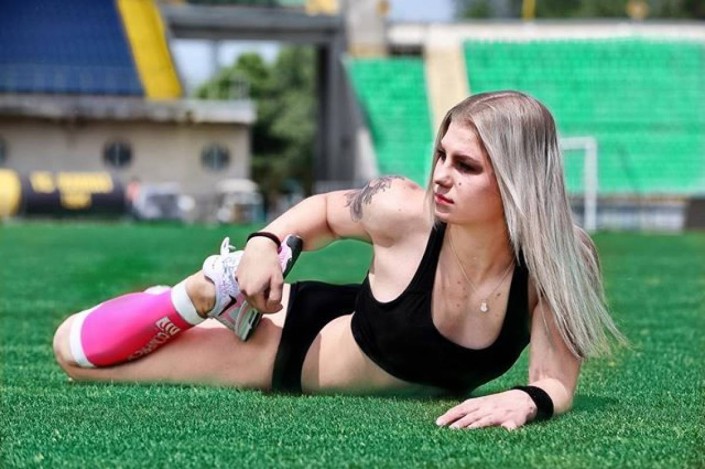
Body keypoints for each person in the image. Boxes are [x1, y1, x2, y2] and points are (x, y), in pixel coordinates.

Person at [53, 91, 624, 430]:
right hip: (288, 345)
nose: (441, 175)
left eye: (466, 166)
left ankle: (206, 296)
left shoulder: (560, 261)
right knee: (76, 356)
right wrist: (263, 242)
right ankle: (206, 291)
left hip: (343, 322)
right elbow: (325, 213)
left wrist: (526, 401)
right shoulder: (404, 210)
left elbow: (554, 380)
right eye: (441, 155)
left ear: (519, 180)